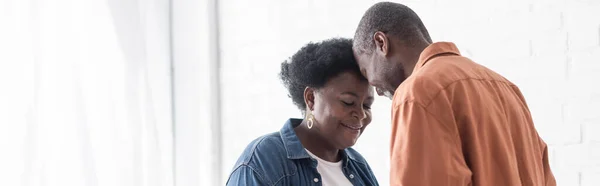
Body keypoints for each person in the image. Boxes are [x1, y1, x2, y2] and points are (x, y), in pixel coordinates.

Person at [351, 2, 556, 186]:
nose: (375, 88)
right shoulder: (507, 88)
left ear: (381, 43)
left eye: (365, 71)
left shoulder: (415, 93)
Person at [226, 38, 379, 186]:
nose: (361, 114)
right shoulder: (265, 158)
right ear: (311, 98)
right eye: (348, 102)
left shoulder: (358, 166)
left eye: (367, 105)